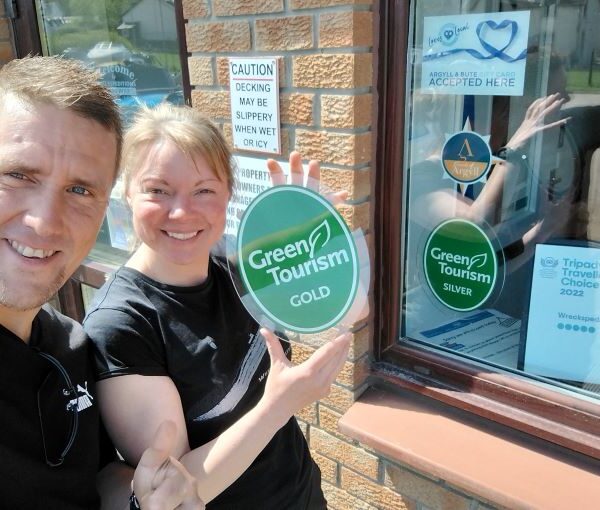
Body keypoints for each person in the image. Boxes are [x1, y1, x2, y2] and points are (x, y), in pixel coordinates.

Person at [82, 104, 352, 509]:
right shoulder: (121, 323)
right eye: (158, 190)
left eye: (204, 190)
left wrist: (312, 239)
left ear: (228, 193)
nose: (181, 211)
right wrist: (278, 406)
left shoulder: (233, 264)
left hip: (304, 495)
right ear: (128, 194)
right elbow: (174, 493)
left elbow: (346, 307)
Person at [0, 55, 205, 509]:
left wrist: (143, 495)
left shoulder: (68, 344)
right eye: (17, 175)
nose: (44, 221)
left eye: (80, 190)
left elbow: (93, 478)